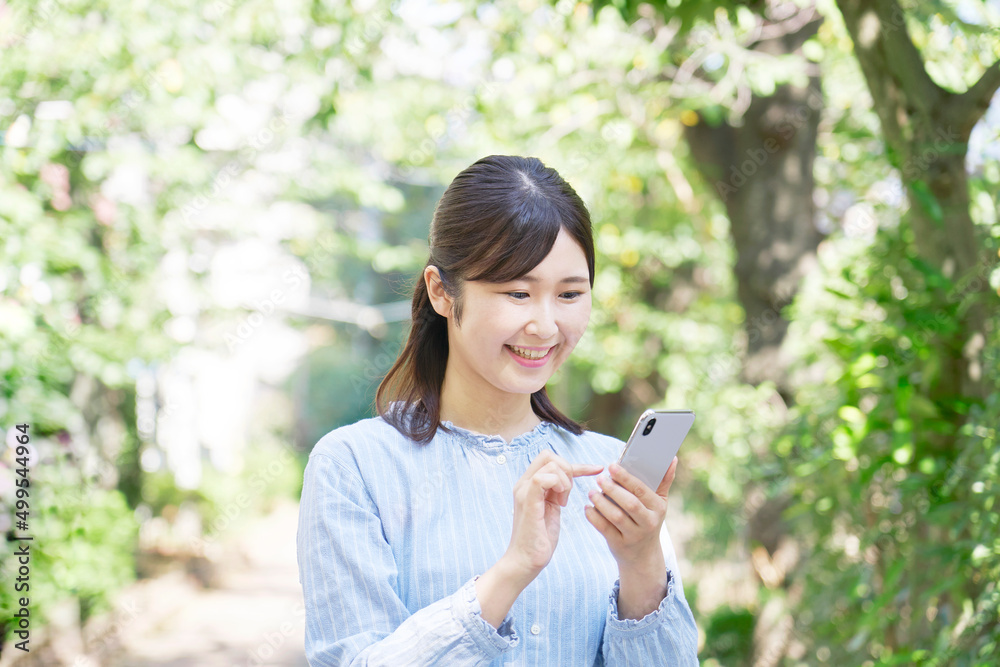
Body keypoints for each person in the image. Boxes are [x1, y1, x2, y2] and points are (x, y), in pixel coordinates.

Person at [296, 155, 699, 665]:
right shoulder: (354, 467)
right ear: (442, 292)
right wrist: (512, 570)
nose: (546, 326)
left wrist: (642, 561)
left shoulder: (610, 474)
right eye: (517, 292)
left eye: (570, 293)